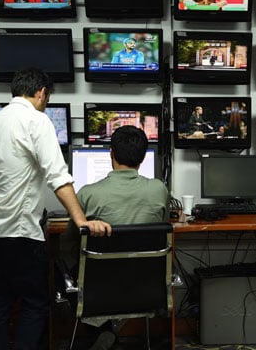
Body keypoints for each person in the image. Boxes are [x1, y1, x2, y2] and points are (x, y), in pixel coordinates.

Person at [0, 68, 110, 350]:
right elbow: (57, 176)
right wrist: (81, 220)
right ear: (42, 93)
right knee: (35, 303)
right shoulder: (37, 121)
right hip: (20, 231)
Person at [60, 125, 170, 350]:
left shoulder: (88, 193)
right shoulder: (159, 190)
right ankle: (116, 330)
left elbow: (69, 241)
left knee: (60, 263)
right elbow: (162, 225)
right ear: (142, 158)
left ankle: (102, 329)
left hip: (98, 291)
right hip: (145, 289)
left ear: (110, 153)